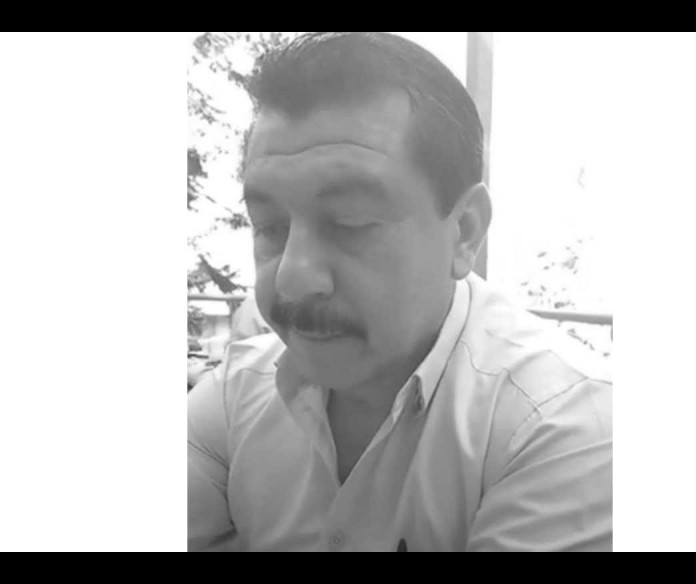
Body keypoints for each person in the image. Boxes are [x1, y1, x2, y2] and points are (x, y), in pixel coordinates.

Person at [188, 32, 612, 552]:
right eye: (269, 227)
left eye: (350, 222)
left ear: (465, 232)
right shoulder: (235, 394)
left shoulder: (562, 424)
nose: (292, 277)